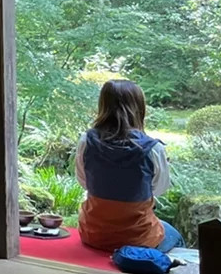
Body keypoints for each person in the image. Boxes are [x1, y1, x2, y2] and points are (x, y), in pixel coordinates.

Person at [75, 78, 183, 257]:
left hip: (93, 234)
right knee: (175, 235)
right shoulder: (153, 149)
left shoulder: (86, 141)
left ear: (103, 105)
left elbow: (84, 182)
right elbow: (159, 189)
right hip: (138, 239)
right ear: (139, 107)